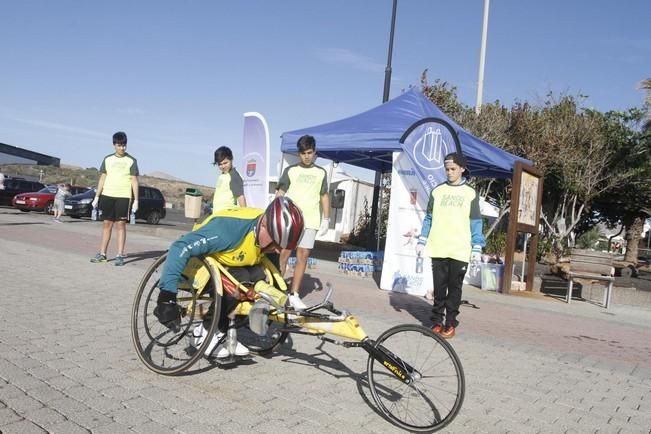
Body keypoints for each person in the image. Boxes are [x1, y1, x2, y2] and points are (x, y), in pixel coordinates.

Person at [154, 196, 304, 359]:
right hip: (198, 265)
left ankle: (222, 331)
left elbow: (273, 273)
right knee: (240, 280)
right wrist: (166, 297)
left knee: (259, 279)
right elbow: (180, 247)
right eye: (276, 244)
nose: (277, 250)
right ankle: (203, 333)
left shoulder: (267, 236)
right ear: (264, 225)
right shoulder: (228, 231)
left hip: (230, 262)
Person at [416, 152, 485, 339]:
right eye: (447, 169)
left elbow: (476, 221)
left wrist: (477, 246)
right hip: (439, 247)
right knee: (439, 289)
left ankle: (450, 323)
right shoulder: (437, 191)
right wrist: (422, 240)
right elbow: (429, 218)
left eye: (453, 169)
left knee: (454, 289)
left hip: (460, 250)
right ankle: (437, 321)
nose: (449, 172)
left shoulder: (470, 193)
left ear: (462, 169)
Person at [276, 135, 330, 310]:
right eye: (303, 153)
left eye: (309, 152)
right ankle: (276, 290)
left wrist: (327, 219)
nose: (306, 156)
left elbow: (324, 195)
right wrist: (274, 214)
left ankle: (294, 294)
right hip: (291, 220)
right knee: (283, 254)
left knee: (303, 256)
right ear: (298, 154)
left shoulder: (321, 172)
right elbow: (280, 193)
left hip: (311, 220)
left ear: (314, 152)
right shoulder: (290, 171)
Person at [90, 131, 139, 267]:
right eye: (119, 145)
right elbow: (103, 178)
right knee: (107, 224)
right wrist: (97, 196)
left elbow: (134, 180)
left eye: (124, 145)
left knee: (120, 225)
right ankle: (102, 254)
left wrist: (136, 200)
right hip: (107, 195)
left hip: (123, 196)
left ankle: (119, 255)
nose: (122, 148)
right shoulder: (107, 159)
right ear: (114, 145)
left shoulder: (131, 160)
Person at [211, 146, 246, 213]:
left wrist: (245, 215)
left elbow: (240, 197)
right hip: (217, 215)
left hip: (227, 215)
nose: (223, 166)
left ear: (231, 159)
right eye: (220, 164)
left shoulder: (234, 176)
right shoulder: (222, 176)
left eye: (225, 163)